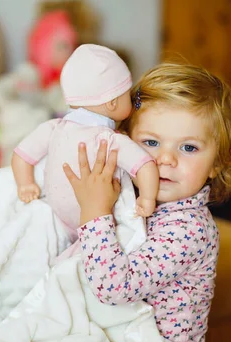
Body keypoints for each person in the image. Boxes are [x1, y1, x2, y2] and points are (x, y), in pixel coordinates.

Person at [63, 62, 231, 342]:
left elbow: (115, 288)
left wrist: (95, 213)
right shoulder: (132, 195)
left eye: (188, 147)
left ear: (216, 163)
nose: (165, 159)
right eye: (151, 142)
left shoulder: (190, 230)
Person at [11, 44, 159, 241]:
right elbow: (146, 166)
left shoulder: (54, 127)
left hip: (58, 219)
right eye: (128, 95)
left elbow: (21, 155)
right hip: (99, 222)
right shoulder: (109, 140)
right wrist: (147, 198)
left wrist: (25, 185)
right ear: (112, 102)